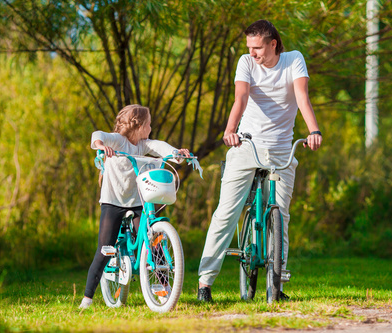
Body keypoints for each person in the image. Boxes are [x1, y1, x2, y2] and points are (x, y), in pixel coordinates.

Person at [197, 19, 322, 302]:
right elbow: (241, 97)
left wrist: (313, 130)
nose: (253, 53)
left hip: (280, 151)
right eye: (249, 48)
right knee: (226, 213)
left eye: (257, 48)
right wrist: (230, 130)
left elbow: (302, 97)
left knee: (282, 215)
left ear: (273, 44)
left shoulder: (293, 61)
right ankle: (205, 283)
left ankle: (276, 284)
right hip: (247, 144)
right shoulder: (246, 62)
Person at [79, 104, 190, 309]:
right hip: (113, 199)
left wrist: (178, 154)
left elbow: (161, 147)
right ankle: (87, 298)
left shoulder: (143, 144)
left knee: (153, 240)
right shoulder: (118, 140)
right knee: (105, 249)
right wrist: (101, 145)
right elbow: (98, 135)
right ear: (138, 126)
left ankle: (165, 289)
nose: (150, 128)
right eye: (148, 124)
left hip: (137, 200)